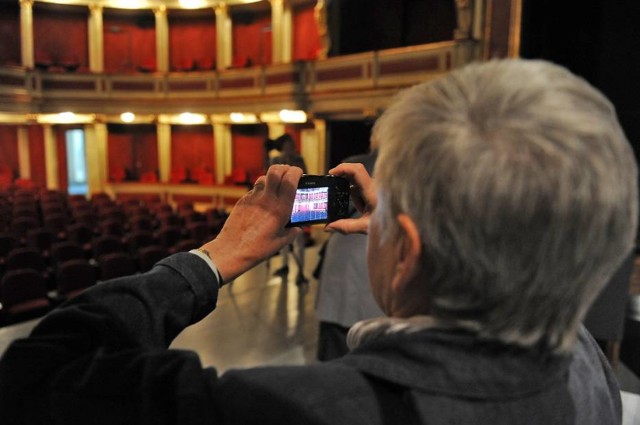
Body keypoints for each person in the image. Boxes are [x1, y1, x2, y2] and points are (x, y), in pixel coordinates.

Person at [0, 59, 635, 425]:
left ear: (408, 253)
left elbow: (33, 380)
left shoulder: (297, 409)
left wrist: (212, 260)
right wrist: (427, 224)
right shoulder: (587, 368)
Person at [315, 128, 383, 361]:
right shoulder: (416, 167)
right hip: (385, 259)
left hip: (348, 255)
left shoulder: (356, 164)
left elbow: (333, 210)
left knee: (336, 346)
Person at [269, 133, 309, 285]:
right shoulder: (276, 159)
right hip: (282, 204)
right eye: (289, 144)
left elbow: (305, 179)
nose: (292, 146)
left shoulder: (299, 160)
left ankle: (300, 272)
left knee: (299, 240)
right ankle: (284, 265)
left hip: (298, 203)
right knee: (283, 239)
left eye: (292, 144)